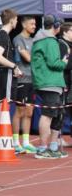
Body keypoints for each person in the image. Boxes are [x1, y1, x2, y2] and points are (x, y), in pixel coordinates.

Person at [32, 15, 68, 159]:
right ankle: (42, 148)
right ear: (56, 26)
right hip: (49, 82)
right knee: (48, 115)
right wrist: (64, 61)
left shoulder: (41, 39)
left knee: (56, 114)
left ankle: (51, 147)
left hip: (49, 82)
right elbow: (54, 63)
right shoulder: (50, 41)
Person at [11, 16, 38, 154]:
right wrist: (37, 58)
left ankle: (26, 143)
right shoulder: (18, 39)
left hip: (32, 80)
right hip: (21, 80)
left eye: (35, 24)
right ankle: (15, 143)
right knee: (20, 112)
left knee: (29, 112)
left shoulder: (33, 40)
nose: (34, 26)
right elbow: (28, 58)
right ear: (23, 24)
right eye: (31, 24)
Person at [0, 8, 22, 105]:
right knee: (4, 106)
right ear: (11, 20)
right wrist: (14, 66)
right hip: (5, 74)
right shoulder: (3, 35)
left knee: (1, 106)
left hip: (2, 74)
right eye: (16, 19)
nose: (17, 22)